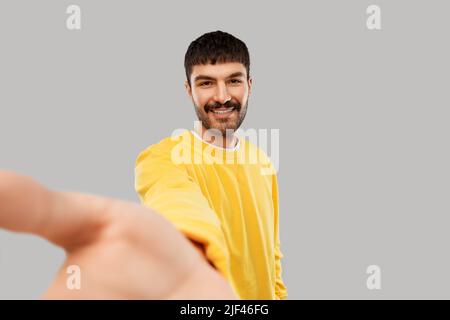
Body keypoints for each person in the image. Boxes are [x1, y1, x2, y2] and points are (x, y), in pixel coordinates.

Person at [134, 30, 287, 299]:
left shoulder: (263, 161)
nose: (222, 96)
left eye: (233, 81)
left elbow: (271, 256)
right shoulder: (163, 159)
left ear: (249, 85)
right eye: (206, 83)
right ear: (188, 90)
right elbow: (176, 205)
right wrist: (194, 246)